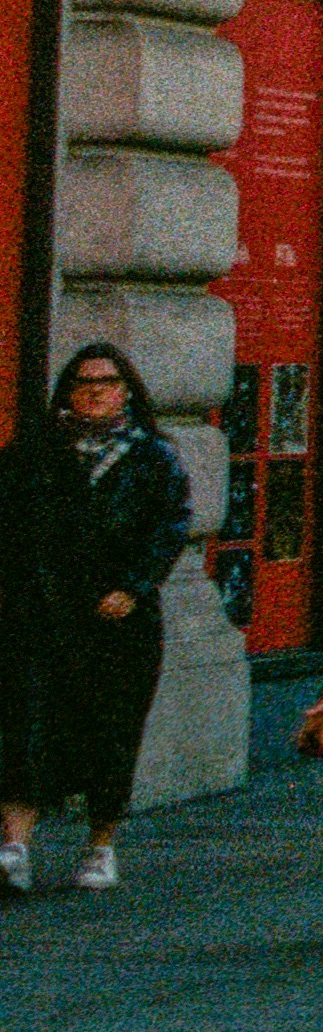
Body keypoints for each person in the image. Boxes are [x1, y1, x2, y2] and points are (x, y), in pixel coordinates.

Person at [1, 342, 192, 900]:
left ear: (126, 389)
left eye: (107, 381)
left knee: (112, 732)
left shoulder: (155, 455)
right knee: (27, 724)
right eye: (83, 383)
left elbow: (172, 525)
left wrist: (133, 586)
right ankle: (14, 847)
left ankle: (100, 845)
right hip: (39, 614)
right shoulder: (33, 454)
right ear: (67, 392)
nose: (94, 391)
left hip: (116, 620)